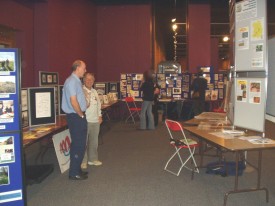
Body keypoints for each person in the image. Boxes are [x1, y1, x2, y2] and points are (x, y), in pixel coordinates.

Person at [62, 60, 88, 181]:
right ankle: (73, 173)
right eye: (84, 68)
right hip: (76, 117)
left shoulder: (76, 81)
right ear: (77, 68)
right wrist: (81, 115)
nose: (85, 70)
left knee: (80, 144)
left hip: (77, 116)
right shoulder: (72, 81)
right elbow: (73, 101)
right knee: (79, 145)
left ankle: (76, 169)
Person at [81, 72, 103, 169]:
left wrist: (100, 115)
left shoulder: (94, 91)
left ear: (94, 81)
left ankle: (93, 159)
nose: (89, 81)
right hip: (85, 120)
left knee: (94, 141)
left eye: (91, 79)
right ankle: (83, 161)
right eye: (87, 79)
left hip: (95, 121)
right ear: (84, 80)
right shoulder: (81, 91)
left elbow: (98, 104)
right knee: (84, 142)